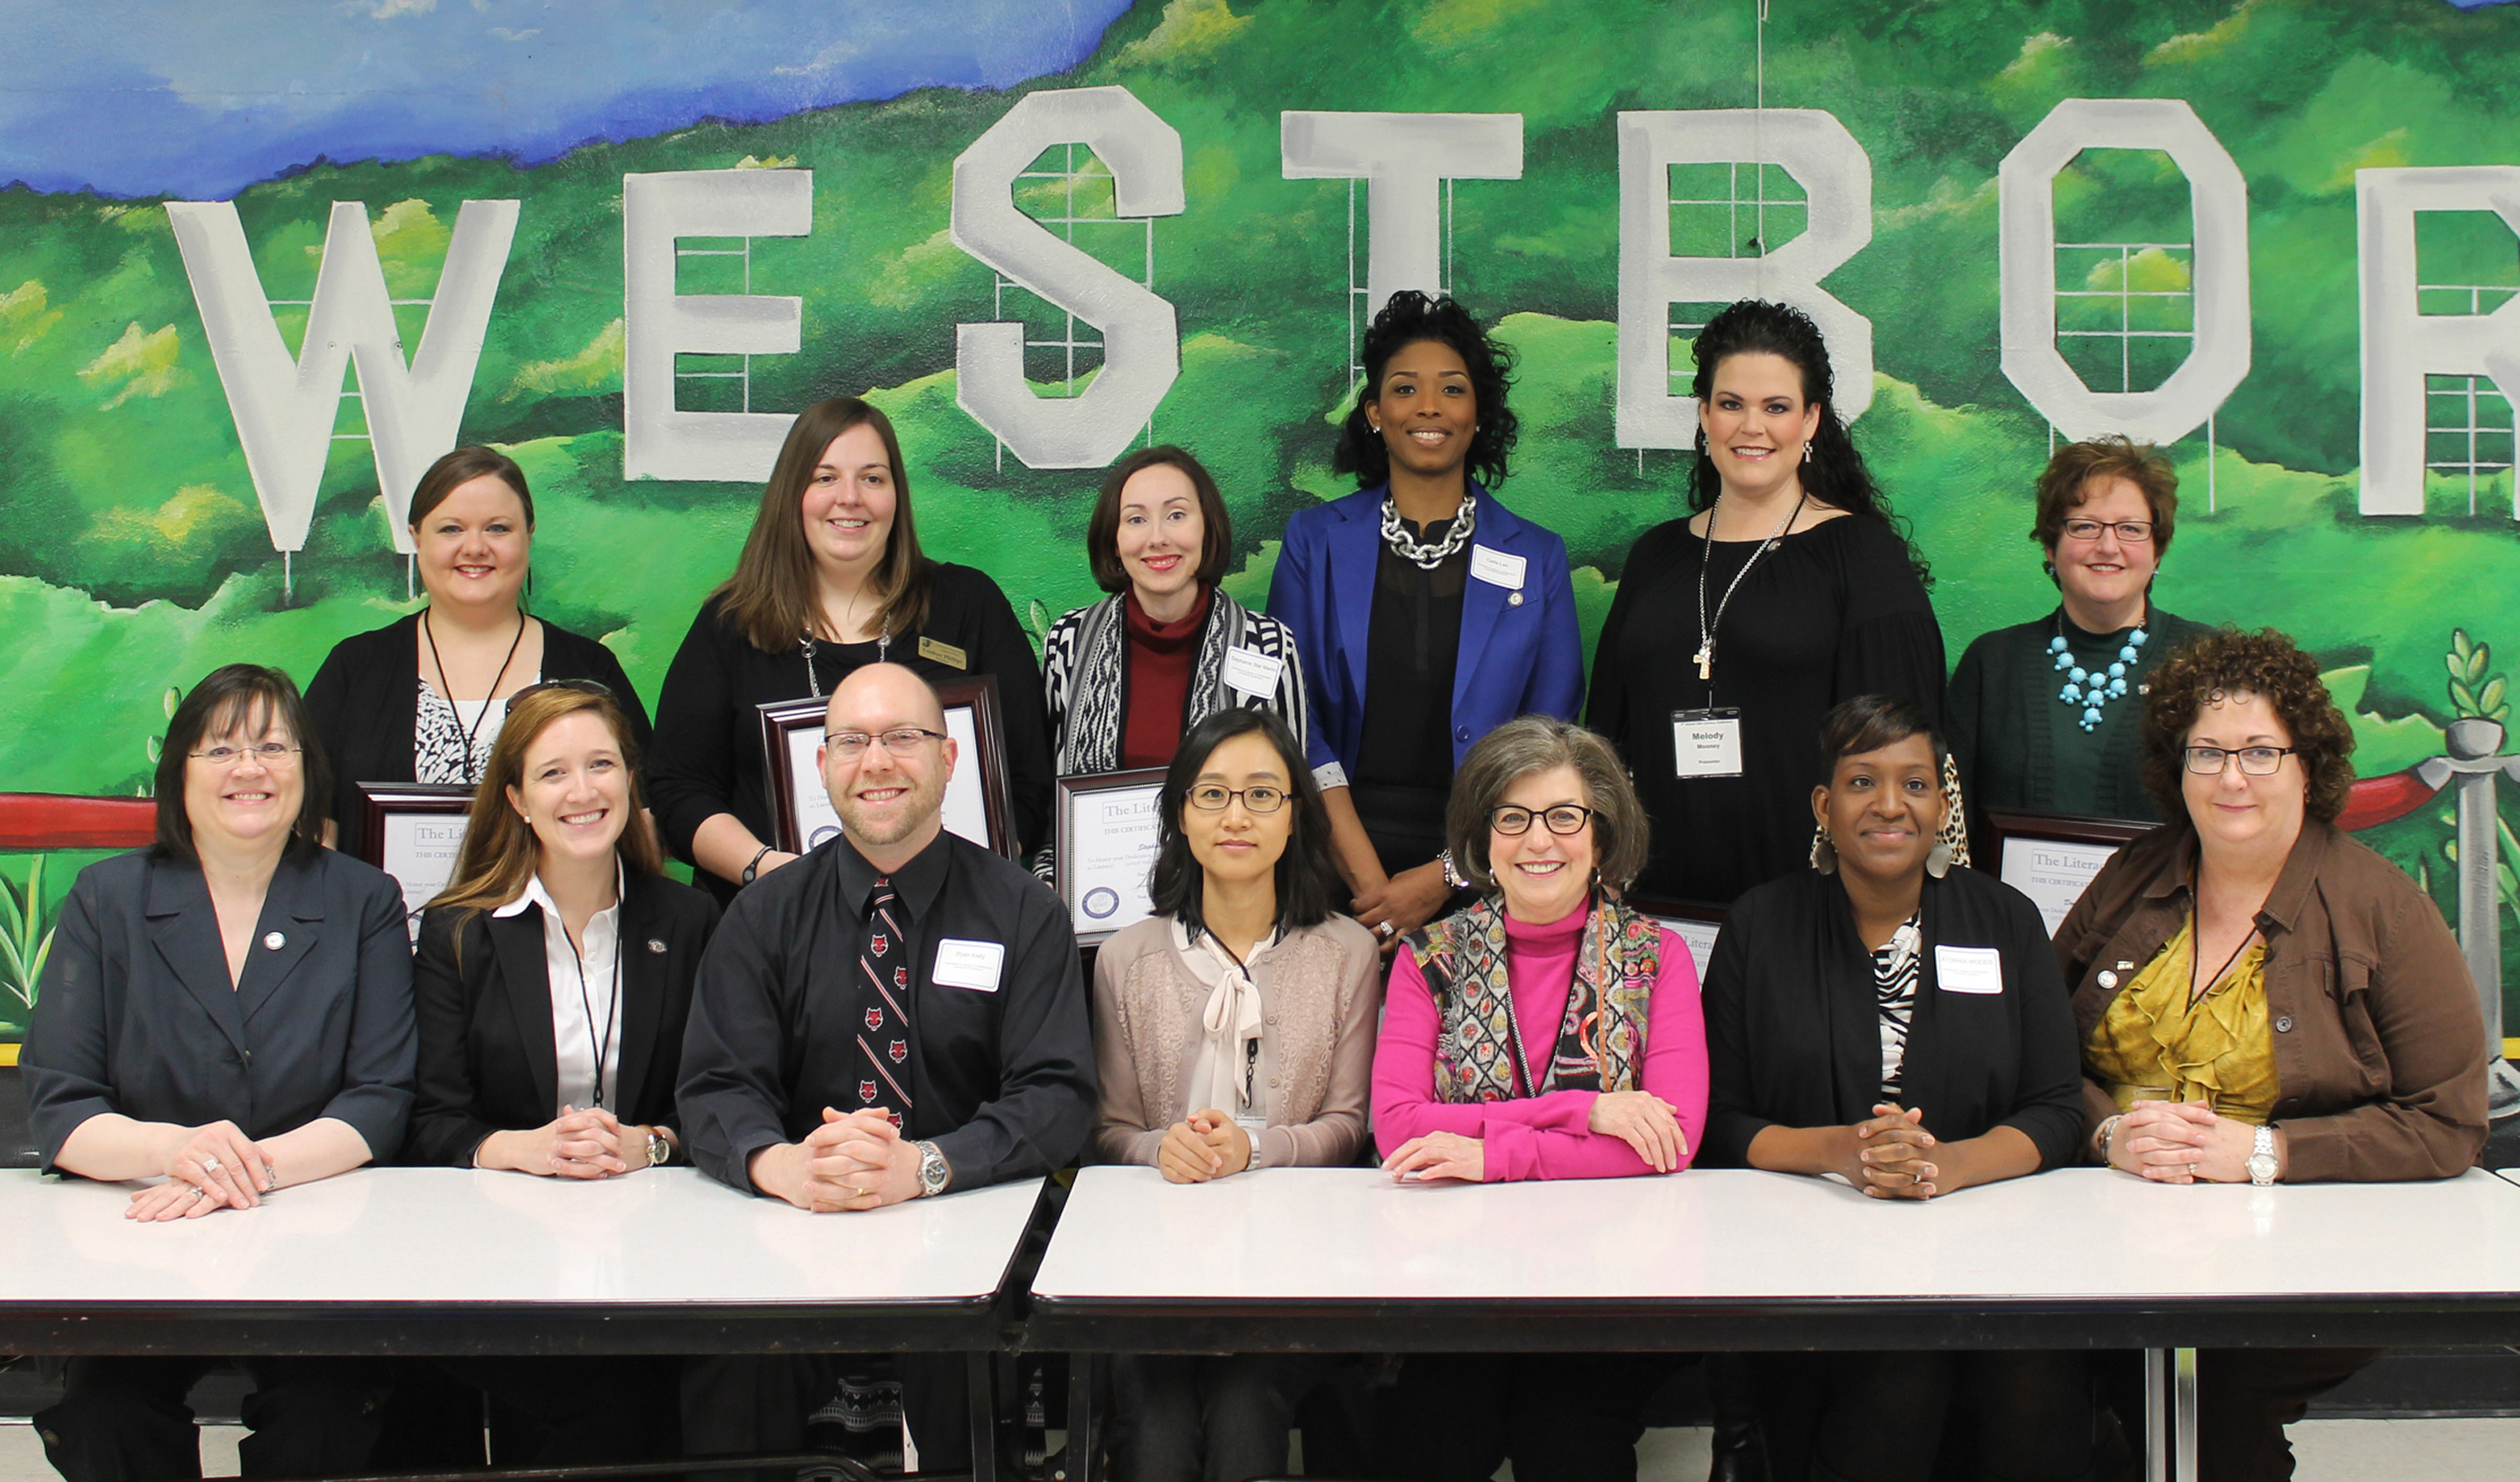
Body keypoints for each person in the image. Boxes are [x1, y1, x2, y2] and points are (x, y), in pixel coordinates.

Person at [2059, 628, 2487, 1481]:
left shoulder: (2382, 909)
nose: (2228, 778)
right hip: (2113, 1230)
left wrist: (2264, 1151)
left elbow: (2447, 1122)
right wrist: (2106, 1132)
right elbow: (2031, 1055)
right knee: (2022, 1379)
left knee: (2209, 1395)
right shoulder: (2130, 875)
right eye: (2205, 751)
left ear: (2307, 765)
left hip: (2314, 1244)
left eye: (2258, 751)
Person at [677, 661, 1095, 1473]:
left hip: (972, 1232)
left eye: (903, 737)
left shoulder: (1022, 911)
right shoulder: (762, 913)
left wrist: (926, 1164)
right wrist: (782, 1164)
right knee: (729, 1371)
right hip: (798, 1226)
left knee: (965, 1361)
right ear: (823, 765)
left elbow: (1057, 1094)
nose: (876, 761)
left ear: (948, 760)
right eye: (852, 740)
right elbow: (716, 1084)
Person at [23, 664, 416, 1481]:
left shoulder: (363, 899)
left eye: (274, 746)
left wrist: (246, 1169)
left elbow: (379, 1097)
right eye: (222, 748)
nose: (250, 768)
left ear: (307, 770)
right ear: (180, 772)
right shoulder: (108, 898)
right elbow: (62, 1102)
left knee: (327, 1416)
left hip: (316, 1231)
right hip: (143, 1235)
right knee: (107, 1414)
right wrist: (176, 1152)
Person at [1701, 695, 2089, 1482]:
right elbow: (1717, 1117)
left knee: (2033, 1381)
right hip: (1807, 1242)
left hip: (1988, 1236)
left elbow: (2055, 1106)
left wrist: (1946, 1166)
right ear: (1823, 804)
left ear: (1941, 805)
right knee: (1894, 1380)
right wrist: (1840, 1152)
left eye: (1913, 783)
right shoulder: (1759, 925)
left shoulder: (2007, 922)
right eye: (1859, 781)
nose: (1888, 804)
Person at [1369, 716, 1707, 1482]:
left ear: (1601, 832)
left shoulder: (1657, 957)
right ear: (1480, 838)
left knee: (1568, 1440)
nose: (1538, 842)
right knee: (1432, 1439)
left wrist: (1489, 1155)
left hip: (1610, 1281)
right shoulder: (1430, 957)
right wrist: (1582, 1110)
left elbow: (1671, 1137)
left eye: (1563, 817)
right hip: (1456, 1278)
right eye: (1512, 819)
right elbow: (1396, 1127)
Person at [400, 680, 709, 1462]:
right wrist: (525, 1147)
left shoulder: (689, 921)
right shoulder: (457, 932)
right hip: (502, 1249)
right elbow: (431, 1120)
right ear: (515, 798)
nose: (583, 790)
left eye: (601, 764)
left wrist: (653, 1143)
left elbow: (722, 1102)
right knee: (589, 1402)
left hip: (659, 1251)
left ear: (630, 781)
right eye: (553, 772)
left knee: (640, 1397)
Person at [1090, 708, 1380, 1482]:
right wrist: (1164, 1149)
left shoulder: (1348, 952)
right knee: (1154, 1431)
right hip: (1154, 1272)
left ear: (1295, 819)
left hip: (1294, 1266)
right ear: (1180, 815)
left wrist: (1256, 1150)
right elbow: (1111, 1129)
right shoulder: (1127, 958)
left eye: (1262, 795)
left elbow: (1350, 1126)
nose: (1236, 817)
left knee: (1246, 1416)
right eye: (1211, 795)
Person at [1588, 298, 1947, 910]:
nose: (1750, 427)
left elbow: (1900, 761)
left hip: (1811, 909)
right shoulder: (1655, 555)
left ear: (1810, 421)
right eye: (1730, 405)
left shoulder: (1858, 554)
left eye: (1775, 407)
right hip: (1653, 908)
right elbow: (1603, 739)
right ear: (1703, 415)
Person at [1268, 291, 1582, 951]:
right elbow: (1291, 718)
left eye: (1452, 389)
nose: (1429, 407)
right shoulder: (1314, 541)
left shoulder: (1538, 556)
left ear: (1477, 414)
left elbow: (1547, 737)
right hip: (1333, 861)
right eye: (1405, 389)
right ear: (1376, 414)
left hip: (1483, 868)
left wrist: (1445, 875)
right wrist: (1371, 885)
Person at [647, 398, 1053, 901]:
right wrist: (770, 874)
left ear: (896, 496)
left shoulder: (968, 607)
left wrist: (961, 879)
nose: (850, 498)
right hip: (777, 930)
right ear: (792, 493)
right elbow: (677, 791)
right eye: (825, 478)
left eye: (873, 478)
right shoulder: (731, 624)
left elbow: (1030, 777)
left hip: (954, 917)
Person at [305, 445, 650, 861]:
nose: (475, 547)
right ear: (416, 538)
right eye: (451, 529)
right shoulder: (356, 668)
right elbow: (313, 820)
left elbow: (642, 816)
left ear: (528, 534)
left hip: (551, 925)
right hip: (385, 927)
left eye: (498, 529)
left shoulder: (589, 670)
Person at [1947, 435, 2217, 844]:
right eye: (2085, 526)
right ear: (2052, 547)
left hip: (2165, 908)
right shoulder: (1992, 663)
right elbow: (1951, 818)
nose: (2108, 546)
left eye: (2131, 529)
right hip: (2012, 909)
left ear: (2157, 551)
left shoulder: (2209, 661)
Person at [1042, 445, 1309, 776]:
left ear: (1207, 527)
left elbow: (1288, 789)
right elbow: (1049, 784)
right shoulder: (1069, 640)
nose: (1157, 538)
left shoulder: (1269, 645)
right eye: (1136, 519)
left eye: (1176, 515)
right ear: (1114, 539)